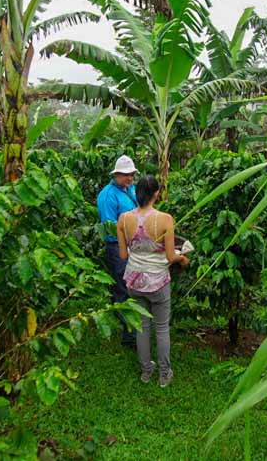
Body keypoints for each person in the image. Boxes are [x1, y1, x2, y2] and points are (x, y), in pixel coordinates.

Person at [117, 175, 189, 387]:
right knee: (161, 328)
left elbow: (123, 255)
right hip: (158, 281)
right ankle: (164, 374)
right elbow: (169, 256)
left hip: (134, 281)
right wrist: (182, 258)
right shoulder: (165, 219)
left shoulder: (123, 219)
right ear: (156, 193)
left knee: (142, 327)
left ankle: (146, 371)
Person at [96, 155, 139, 347]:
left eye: (131, 175)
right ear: (116, 175)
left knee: (134, 285)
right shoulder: (108, 195)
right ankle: (129, 334)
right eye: (125, 175)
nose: (129, 178)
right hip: (117, 246)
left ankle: (134, 324)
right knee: (123, 286)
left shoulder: (131, 190)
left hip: (134, 243)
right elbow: (110, 226)